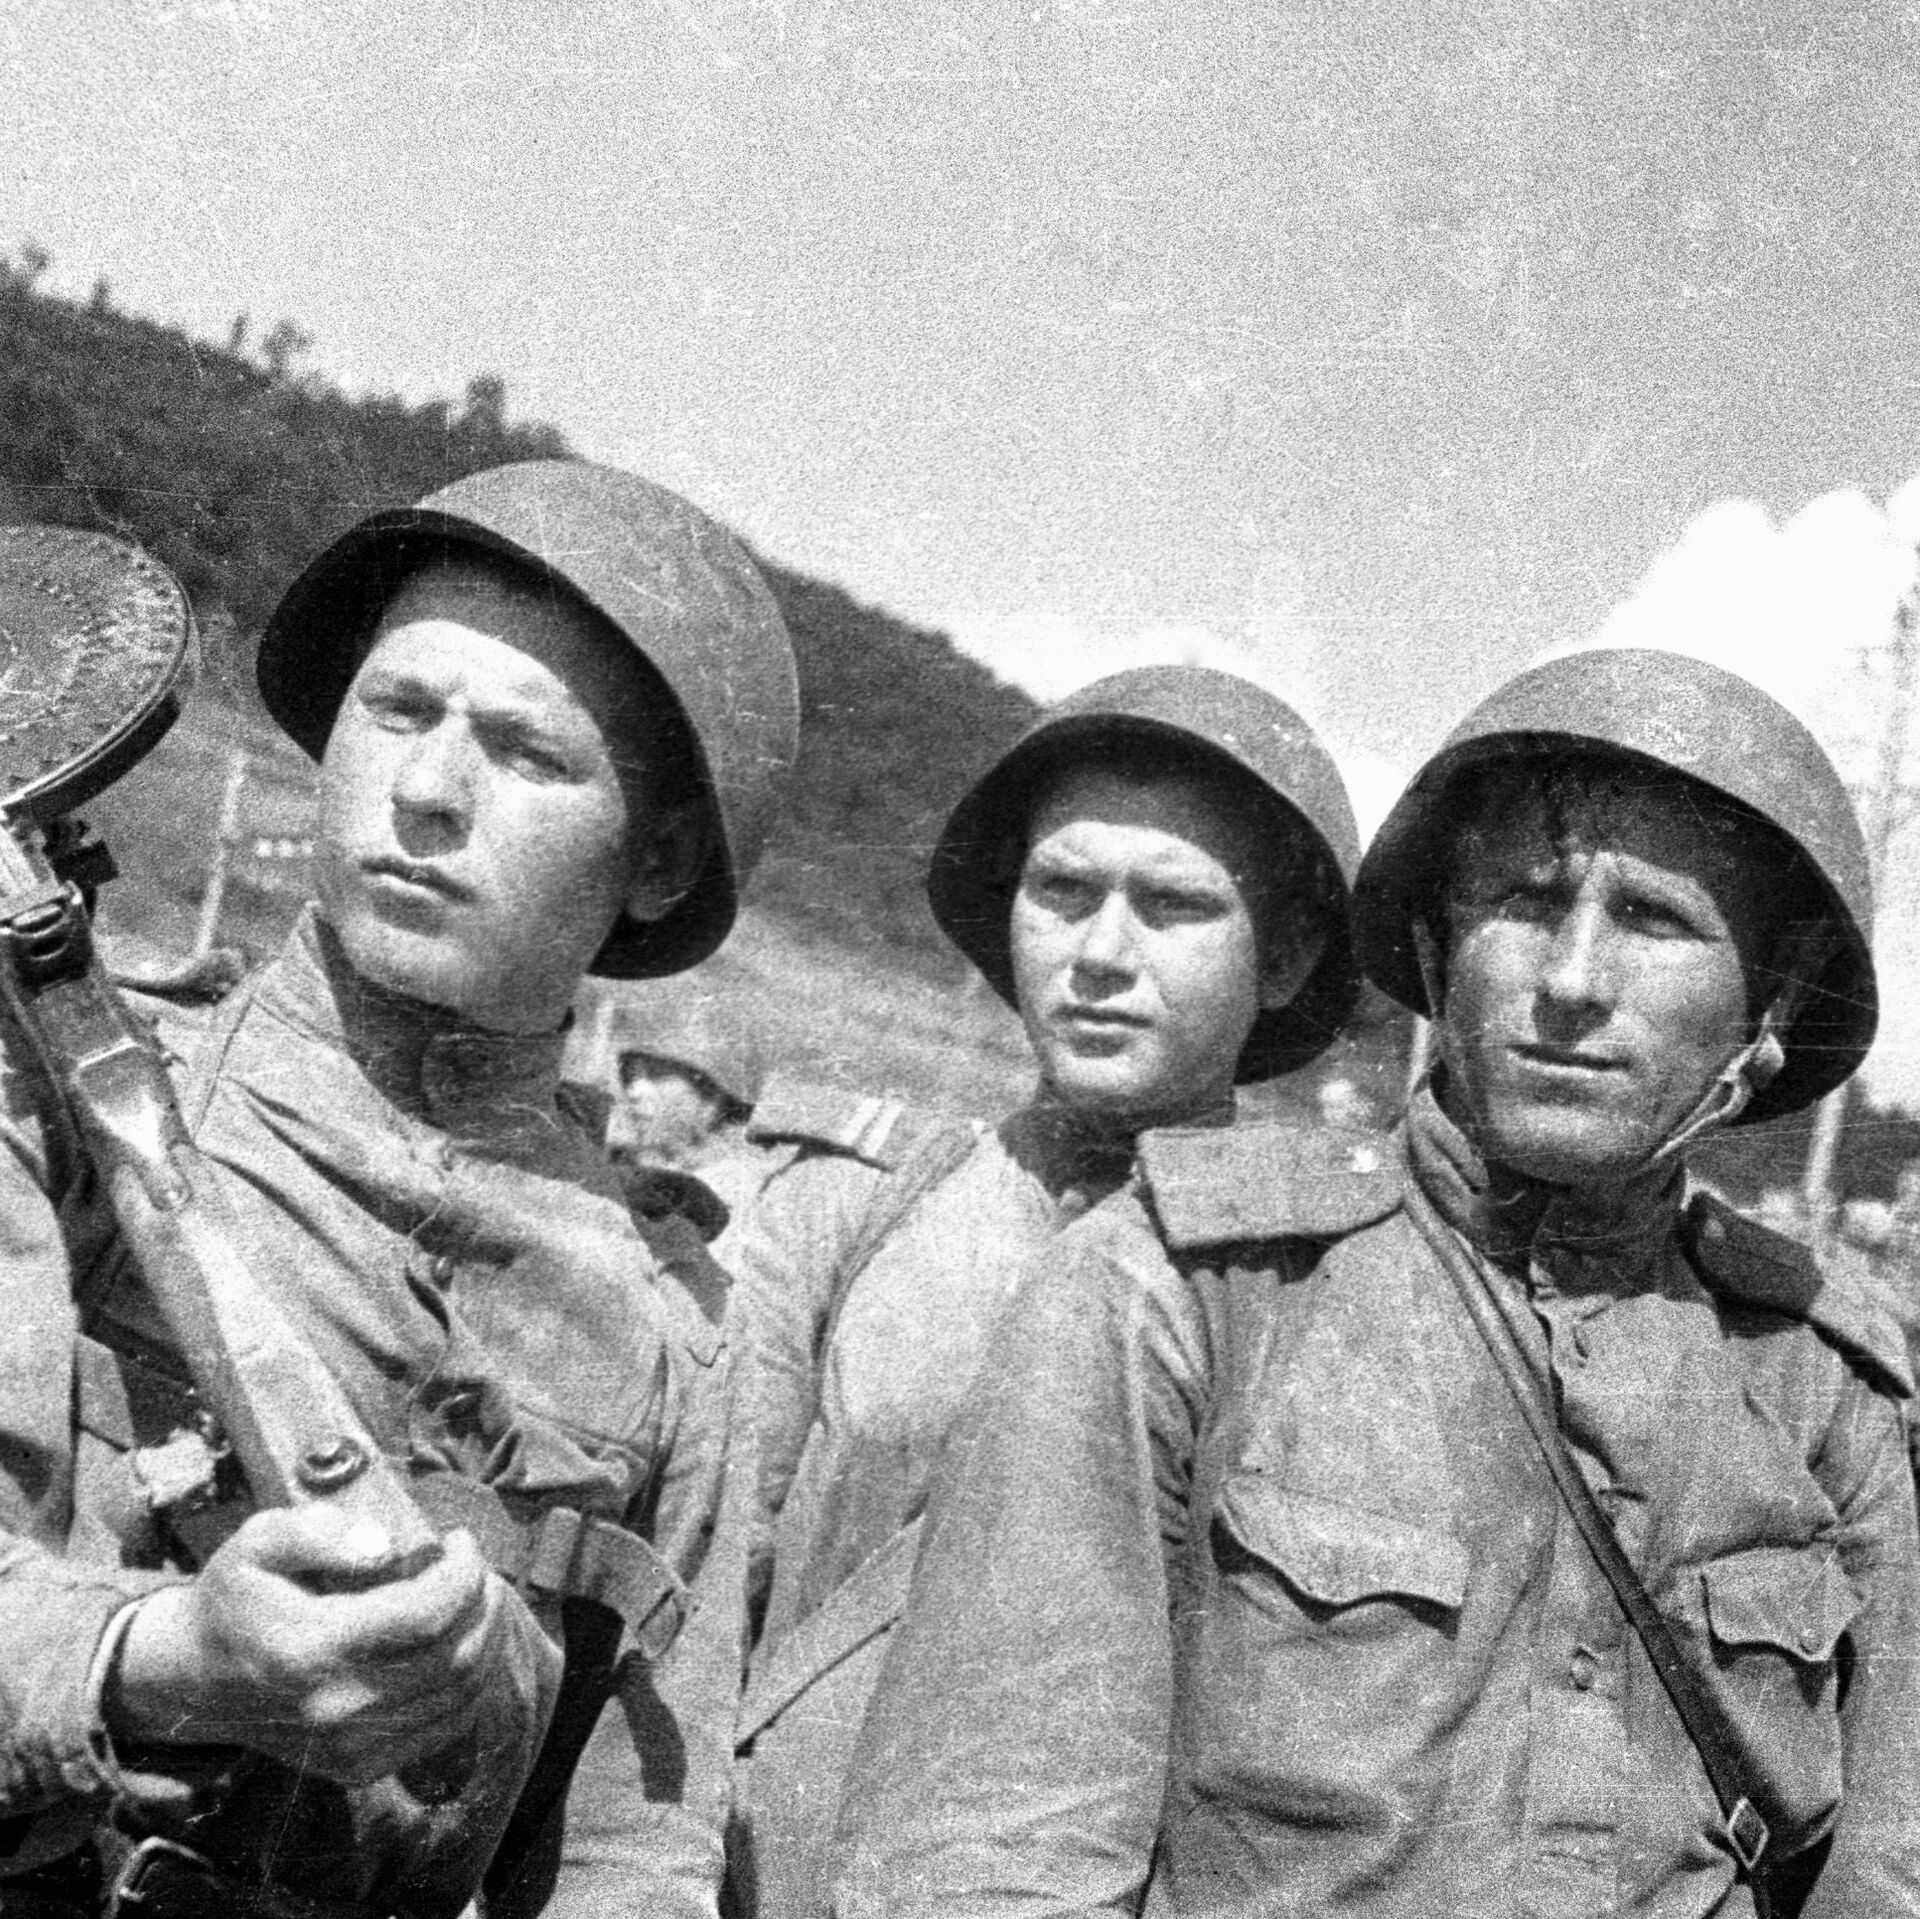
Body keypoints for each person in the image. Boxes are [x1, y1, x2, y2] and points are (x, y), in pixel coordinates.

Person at [833, 645, 1920, 1917]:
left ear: (1770, 1006)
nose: (1572, 981)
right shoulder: (1189, 1288)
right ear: (1436, 945)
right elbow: (994, 1850)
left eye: (1654, 919)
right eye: (1525, 902)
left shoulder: (1822, 1383)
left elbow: (1887, 1868)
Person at [0, 462, 798, 1917]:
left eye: (527, 753)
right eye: (399, 709)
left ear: (662, 857)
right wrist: (162, 1660)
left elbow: (635, 1848)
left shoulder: (681, 1332)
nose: (427, 792)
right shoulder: (63, 1090)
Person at [723, 664, 1362, 1917]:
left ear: (1285, 956)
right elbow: (704, 1594)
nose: (1101, 953)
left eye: (1173, 905)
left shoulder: (1322, 1298)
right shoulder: (858, 1206)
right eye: (1063, 891)